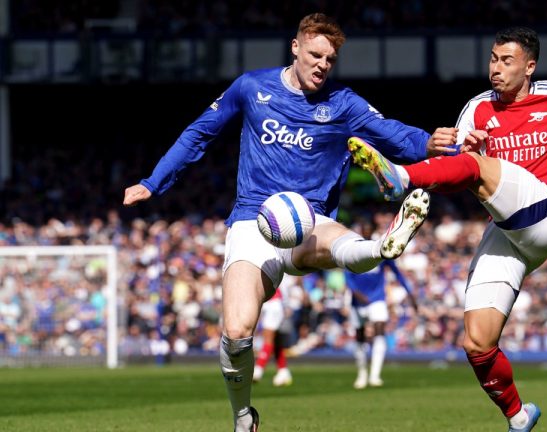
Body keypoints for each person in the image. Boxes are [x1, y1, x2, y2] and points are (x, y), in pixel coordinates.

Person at [122, 13, 456, 432]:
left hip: (310, 219)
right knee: (237, 331)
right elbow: (199, 133)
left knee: (341, 241)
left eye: (330, 59)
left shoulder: (344, 103)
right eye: (315, 54)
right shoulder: (251, 87)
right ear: (295, 47)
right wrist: (154, 181)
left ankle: (381, 247)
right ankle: (244, 415)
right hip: (252, 222)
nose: (322, 64)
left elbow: (389, 131)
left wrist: (428, 142)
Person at [348, 26, 547, 432]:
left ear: (529, 66)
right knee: (477, 343)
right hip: (508, 230)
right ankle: (518, 416)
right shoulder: (477, 108)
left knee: (475, 168)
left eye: (506, 61)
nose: (495, 68)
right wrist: (457, 143)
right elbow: (458, 162)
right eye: (493, 59)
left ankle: (401, 178)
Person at [345, 224, 418, 389]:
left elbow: (397, 273)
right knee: (360, 336)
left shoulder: (380, 251)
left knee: (379, 330)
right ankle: (362, 373)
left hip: (377, 299)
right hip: (358, 302)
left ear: (371, 230)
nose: (365, 231)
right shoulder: (353, 251)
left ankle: (375, 375)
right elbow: (347, 278)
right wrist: (357, 294)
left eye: (367, 229)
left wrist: (410, 293)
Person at [252, 287, 292, 387]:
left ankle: (258, 370)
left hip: (272, 303)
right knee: (276, 340)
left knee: (268, 338)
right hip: (271, 303)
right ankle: (283, 371)